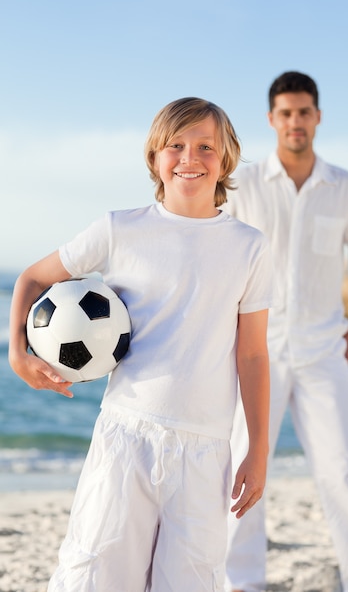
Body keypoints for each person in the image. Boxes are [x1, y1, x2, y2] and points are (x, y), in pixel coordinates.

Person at [8, 97, 276, 592]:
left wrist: (257, 448)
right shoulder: (120, 229)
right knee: (95, 572)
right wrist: (18, 353)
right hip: (126, 434)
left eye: (205, 147)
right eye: (175, 145)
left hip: (206, 447)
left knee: (190, 581)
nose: (189, 158)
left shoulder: (249, 247)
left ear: (227, 159)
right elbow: (32, 279)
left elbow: (253, 354)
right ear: (155, 157)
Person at [224, 72, 348, 592]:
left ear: (318, 116)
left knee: (344, 469)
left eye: (304, 112)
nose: (296, 122)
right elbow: (217, 257)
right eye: (286, 113)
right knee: (243, 472)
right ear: (272, 120)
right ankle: (239, 582)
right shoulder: (243, 185)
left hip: (323, 351)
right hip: (256, 352)